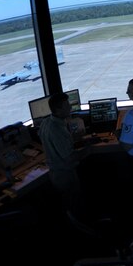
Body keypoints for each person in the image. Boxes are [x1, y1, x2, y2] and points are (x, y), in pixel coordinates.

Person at [39, 92, 88, 224]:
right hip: (65, 175)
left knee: (69, 205)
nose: (70, 108)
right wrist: (88, 149)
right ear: (58, 109)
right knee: (75, 207)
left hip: (56, 174)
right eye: (67, 106)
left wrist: (74, 139)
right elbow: (69, 158)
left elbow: (53, 142)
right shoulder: (57, 129)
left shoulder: (46, 122)